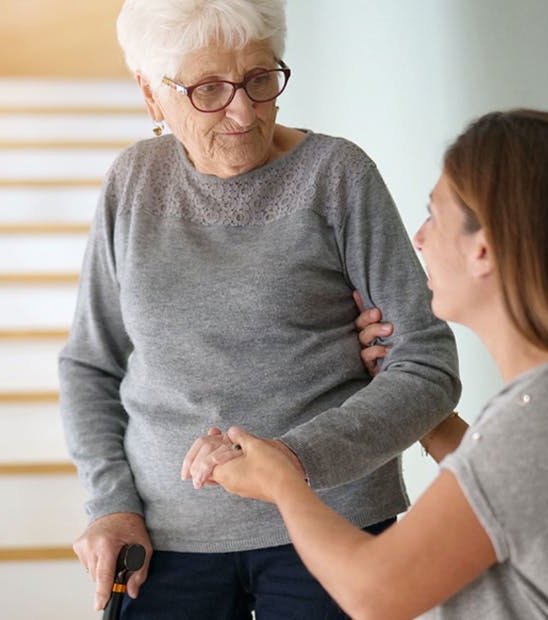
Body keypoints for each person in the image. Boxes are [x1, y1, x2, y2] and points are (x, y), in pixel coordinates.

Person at [197, 109, 548, 618]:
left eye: (434, 215)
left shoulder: (546, 425)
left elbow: (372, 592)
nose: (419, 237)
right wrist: (426, 414)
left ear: (484, 249)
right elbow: (511, 502)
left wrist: (281, 480)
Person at [58, 0, 461, 616]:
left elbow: (426, 366)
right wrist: (110, 503)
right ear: (151, 94)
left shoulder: (337, 175)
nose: (245, 112)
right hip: (167, 539)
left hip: (333, 520)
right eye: (209, 89)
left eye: (260, 79)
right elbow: (90, 365)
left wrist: (292, 462)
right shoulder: (132, 183)